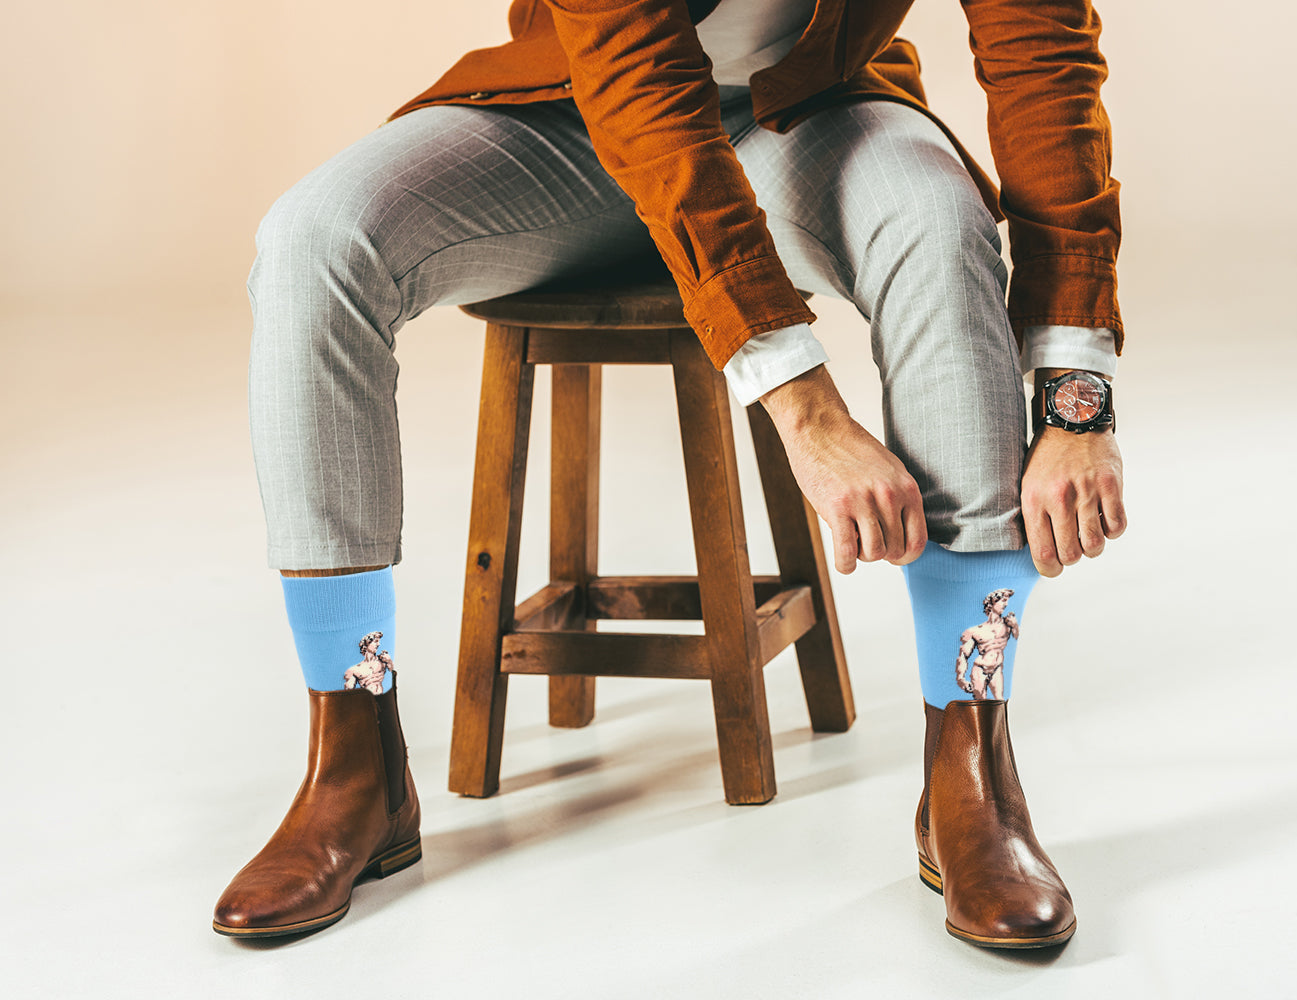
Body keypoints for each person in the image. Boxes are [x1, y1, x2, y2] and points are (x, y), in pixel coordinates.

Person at [212, 0, 1127, 951]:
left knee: (938, 222)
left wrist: (1075, 393)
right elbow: (639, 80)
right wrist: (801, 404)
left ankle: (970, 767)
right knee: (312, 240)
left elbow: (1042, 51)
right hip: (571, 115)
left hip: (803, 116)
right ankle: (354, 764)